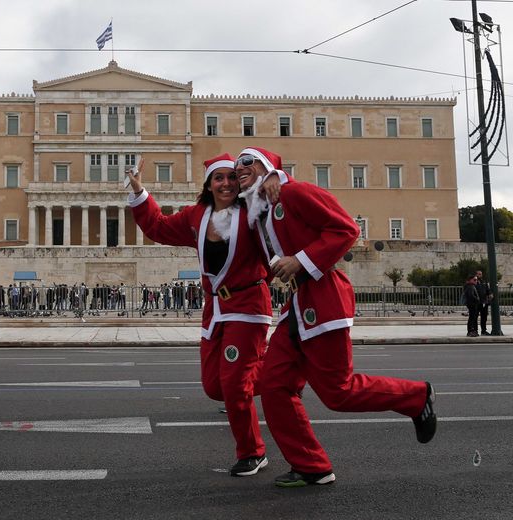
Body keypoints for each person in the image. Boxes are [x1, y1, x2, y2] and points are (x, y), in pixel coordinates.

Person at [235, 146, 437, 488]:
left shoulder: (295, 192)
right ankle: (312, 465)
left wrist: (300, 260)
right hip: (297, 305)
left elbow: (345, 229)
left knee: (337, 393)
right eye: (235, 165)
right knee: (273, 385)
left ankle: (417, 398)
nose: (239, 169)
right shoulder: (264, 209)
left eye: (246, 162)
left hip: (324, 299)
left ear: (266, 165)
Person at [128, 153, 281, 477]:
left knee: (236, 385)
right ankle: (286, 371)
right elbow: (158, 227)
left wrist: (272, 178)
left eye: (230, 177)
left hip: (248, 306)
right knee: (215, 386)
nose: (225, 182)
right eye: (218, 178)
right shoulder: (197, 216)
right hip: (215, 309)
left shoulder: (252, 211)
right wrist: (140, 191)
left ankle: (252, 452)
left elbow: (281, 228)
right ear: (209, 184)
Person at [475, 270, 492, 335]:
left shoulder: (484, 282)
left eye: (481, 274)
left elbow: (488, 290)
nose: (480, 275)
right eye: (479, 274)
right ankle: (475, 331)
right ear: (476, 274)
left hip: (484, 302)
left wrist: (490, 294)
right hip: (476, 303)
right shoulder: (474, 281)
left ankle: (483, 331)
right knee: (475, 317)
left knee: (484, 318)